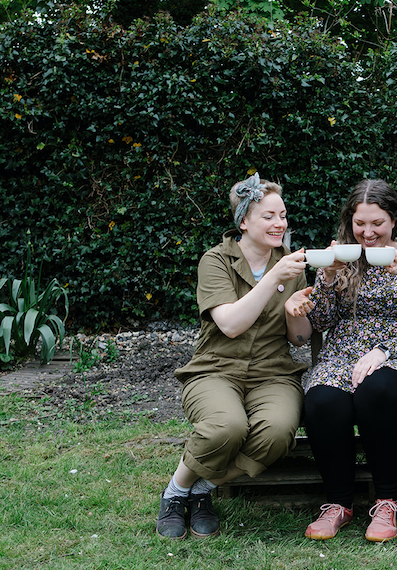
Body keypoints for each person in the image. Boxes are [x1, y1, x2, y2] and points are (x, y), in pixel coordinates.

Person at [155, 173, 312, 540]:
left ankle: (202, 487)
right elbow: (230, 325)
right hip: (215, 370)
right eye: (269, 216)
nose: (280, 224)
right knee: (227, 426)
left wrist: (296, 312)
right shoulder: (216, 261)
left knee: (276, 432)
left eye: (283, 215)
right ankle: (175, 493)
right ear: (244, 221)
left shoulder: (292, 265)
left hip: (273, 373)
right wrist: (274, 278)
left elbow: (301, 339)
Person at [295, 179, 397, 542]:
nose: (368, 232)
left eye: (377, 223)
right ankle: (337, 504)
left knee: (377, 392)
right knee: (322, 399)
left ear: (393, 220)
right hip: (342, 355)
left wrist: (383, 351)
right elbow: (322, 323)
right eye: (360, 224)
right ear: (350, 221)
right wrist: (326, 278)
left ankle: (386, 501)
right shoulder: (339, 259)